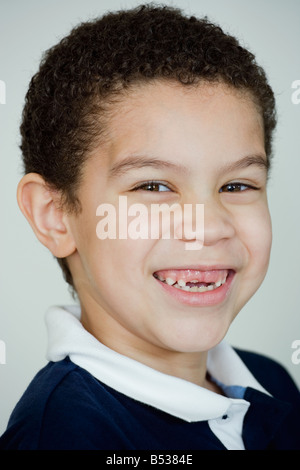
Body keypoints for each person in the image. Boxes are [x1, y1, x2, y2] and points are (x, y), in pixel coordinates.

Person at [0, 4, 299, 450]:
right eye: (155, 185)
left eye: (236, 184)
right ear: (54, 215)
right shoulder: (65, 436)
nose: (209, 226)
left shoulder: (272, 381)